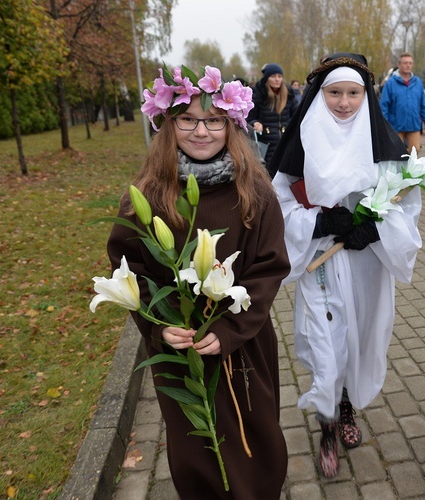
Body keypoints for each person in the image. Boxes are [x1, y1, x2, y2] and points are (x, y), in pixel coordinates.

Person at [107, 64, 290, 498]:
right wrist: (156, 324)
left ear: (232, 126)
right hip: (179, 350)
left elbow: (268, 267)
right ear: (168, 126)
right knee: (196, 450)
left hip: (242, 345)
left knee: (254, 437)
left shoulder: (255, 191)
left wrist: (231, 329)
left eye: (214, 121)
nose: (201, 131)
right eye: (187, 120)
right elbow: (130, 266)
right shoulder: (150, 194)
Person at [268, 53, 422, 479]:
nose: (344, 102)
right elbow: (279, 206)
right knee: (326, 342)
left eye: (354, 93)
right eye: (334, 92)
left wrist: (373, 230)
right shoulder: (302, 142)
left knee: (356, 340)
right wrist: (319, 220)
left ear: (365, 96)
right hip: (320, 260)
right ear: (321, 94)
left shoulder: (383, 145)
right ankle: (328, 427)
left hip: (366, 265)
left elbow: (404, 205)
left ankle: (347, 405)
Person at [247, 63, 297, 174]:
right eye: (273, 76)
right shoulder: (259, 94)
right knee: (269, 174)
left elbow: (296, 115)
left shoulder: (288, 93)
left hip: (286, 142)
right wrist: (255, 123)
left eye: (279, 76)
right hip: (267, 143)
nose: (277, 79)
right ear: (267, 78)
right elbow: (249, 117)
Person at [379, 52, 425, 153]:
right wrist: (384, 125)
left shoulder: (417, 82)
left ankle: (410, 169)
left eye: (410, 63)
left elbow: (423, 104)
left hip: (413, 125)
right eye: (405, 63)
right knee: (396, 152)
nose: (408, 65)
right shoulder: (390, 83)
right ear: (399, 65)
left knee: (415, 150)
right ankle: (397, 169)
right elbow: (384, 106)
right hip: (395, 126)